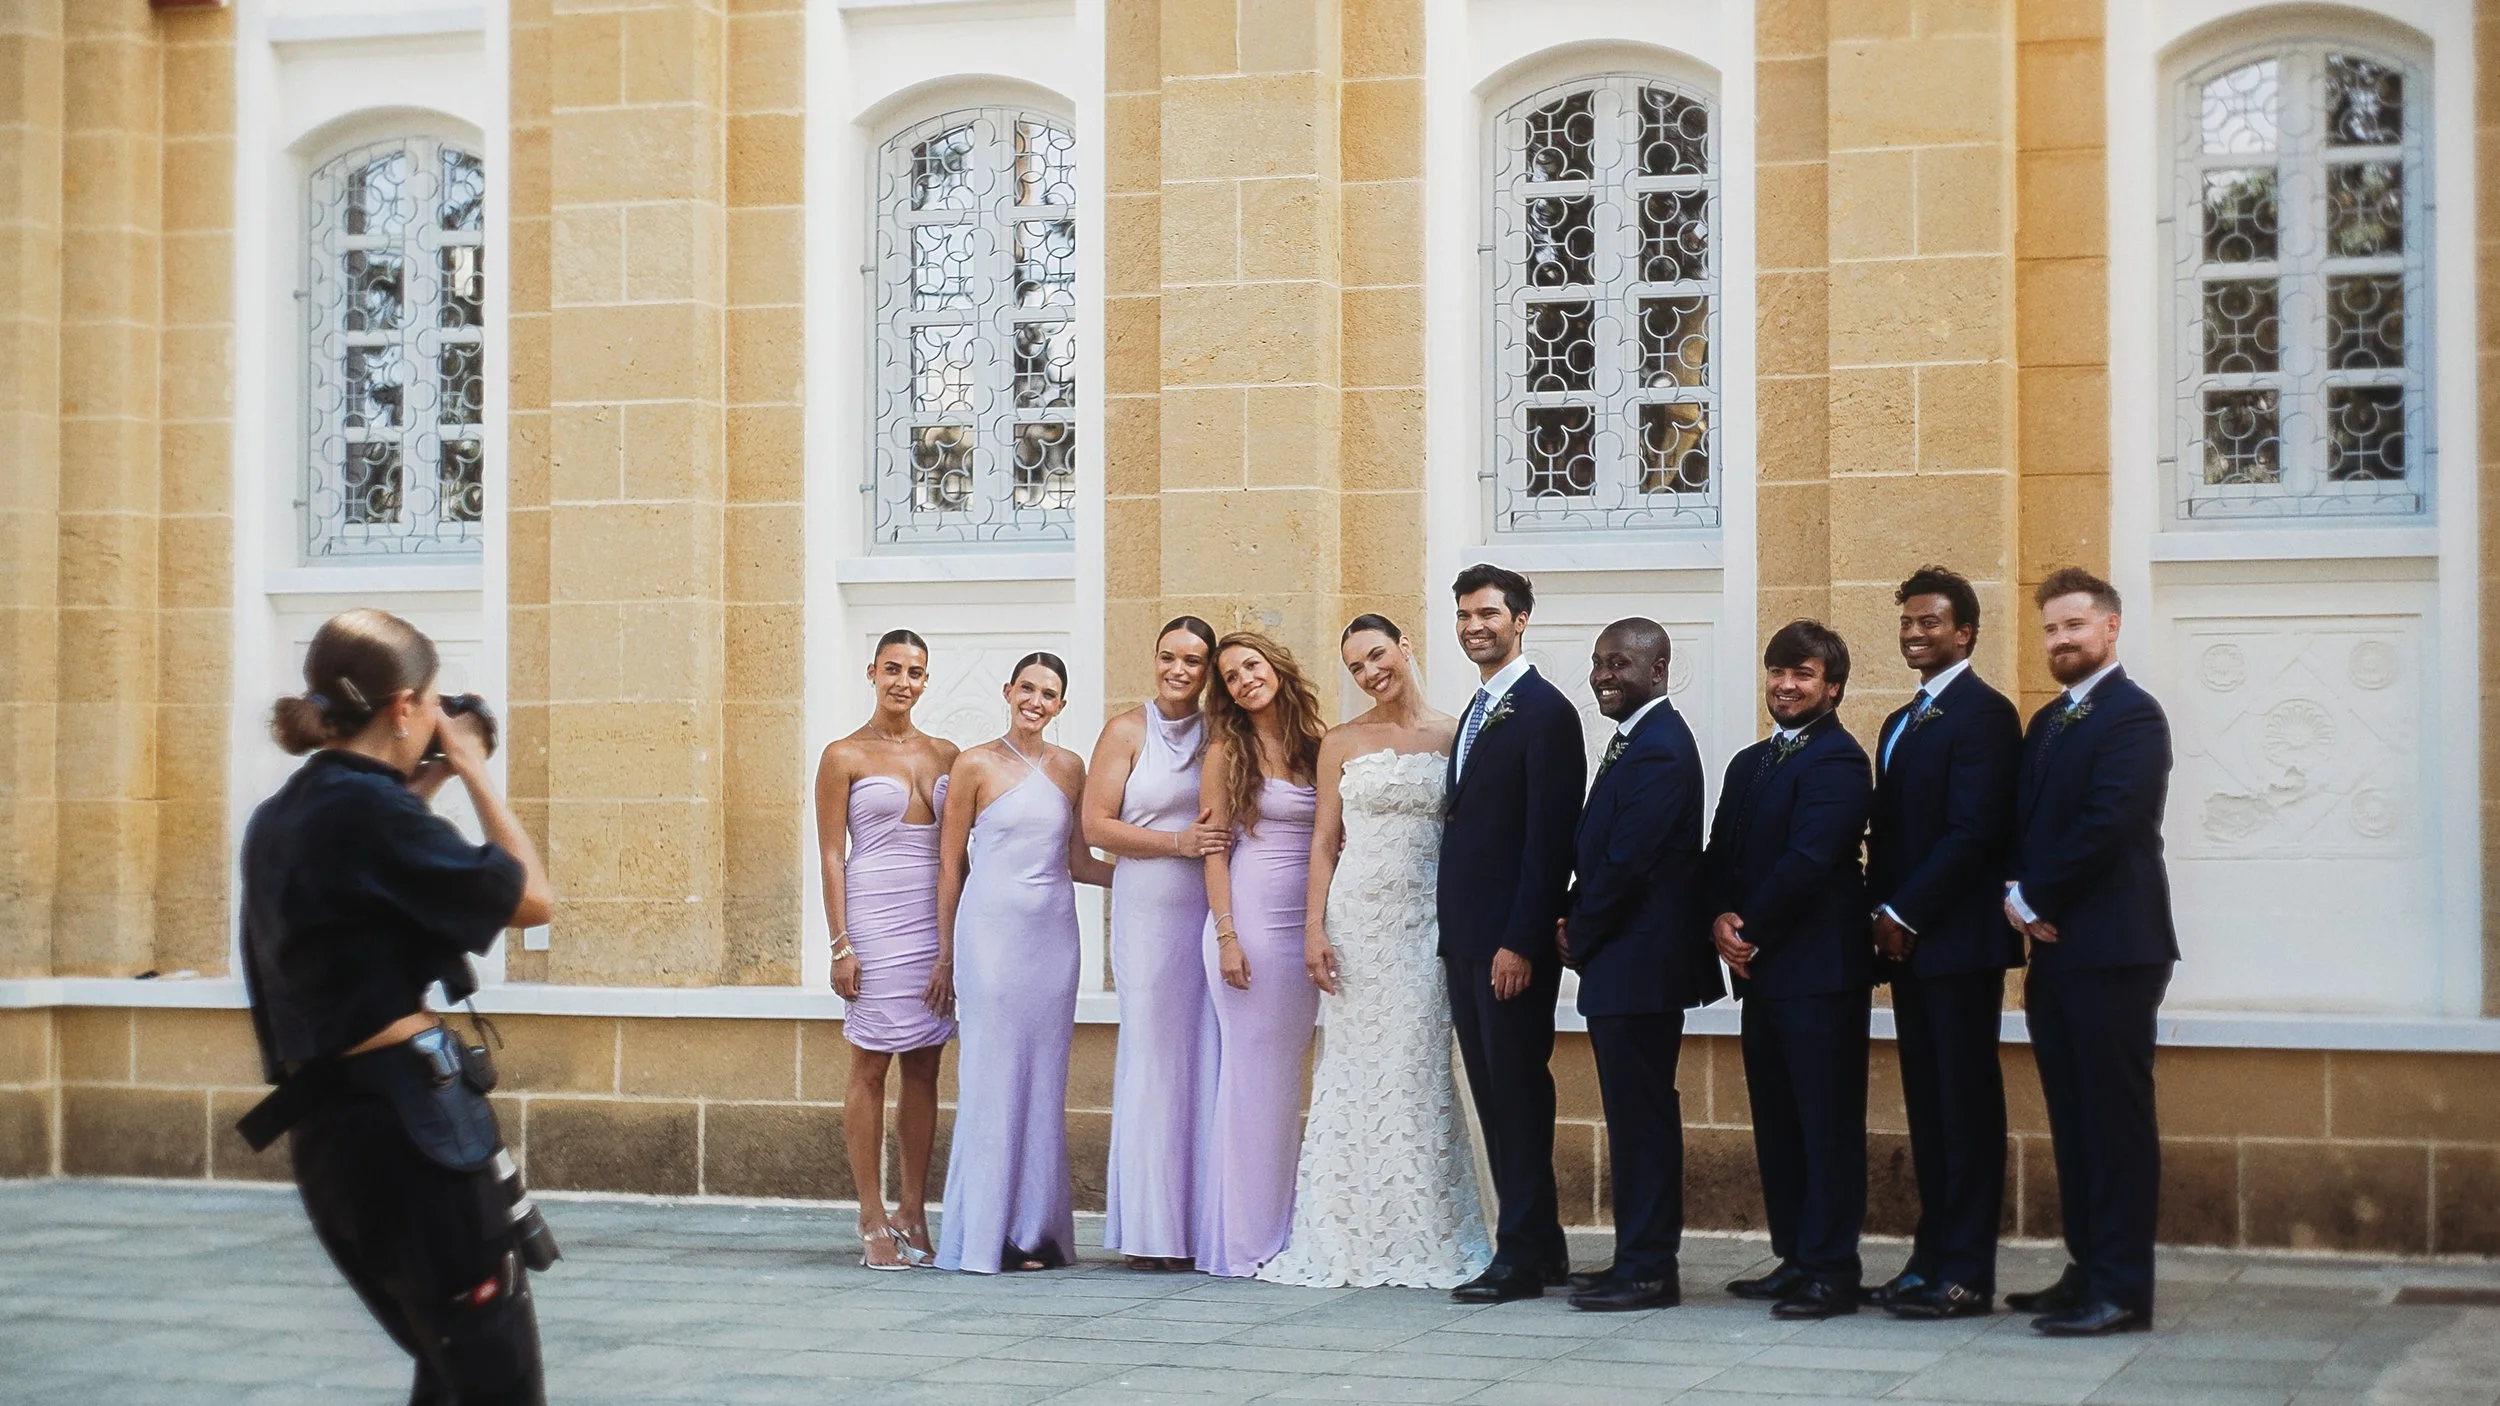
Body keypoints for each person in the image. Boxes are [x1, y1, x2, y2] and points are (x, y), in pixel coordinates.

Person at [239, 608, 555, 1404]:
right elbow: (533, 899)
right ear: (406, 706)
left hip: (332, 1143)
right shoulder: (370, 814)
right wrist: (475, 767)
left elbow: (375, 856)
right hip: (411, 1134)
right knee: (495, 1381)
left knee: (447, 1374)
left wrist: (430, 774)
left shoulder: (282, 817)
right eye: (433, 704)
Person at [1258, 615, 1492, 1290]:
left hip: (1426, 926)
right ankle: (1345, 1229)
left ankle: (1425, 1226)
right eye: (1356, 666)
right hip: (1357, 923)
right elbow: (1324, 842)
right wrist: (1313, 928)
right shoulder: (1341, 741)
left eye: (1377, 655)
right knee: (1353, 1073)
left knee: (1418, 1070)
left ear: (1406, 647)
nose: (1370, 672)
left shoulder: (1455, 734)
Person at [2001, 567, 2176, 1337]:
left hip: (2115, 947)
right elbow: (2023, 824)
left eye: (2073, 625)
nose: (2060, 640)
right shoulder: (2046, 725)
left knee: (2116, 1122)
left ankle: (2123, 1289)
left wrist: (2036, 897)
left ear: (2109, 628)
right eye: (2050, 629)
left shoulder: (2136, 718)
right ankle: (2085, 1270)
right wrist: (2014, 888)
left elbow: (2110, 821)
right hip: (2057, 955)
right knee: (2073, 1121)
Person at [1863, 568, 2022, 1319]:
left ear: (1965, 632)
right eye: (1907, 622)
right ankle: (1930, 1259)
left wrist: (1906, 911)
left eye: (1930, 622)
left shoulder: (1986, 714)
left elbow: (1974, 830)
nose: (1915, 633)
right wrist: (1878, 917)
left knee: (1965, 1106)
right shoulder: (1899, 721)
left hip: (1958, 944)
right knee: (1928, 1108)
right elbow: (1891, 836)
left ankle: (1968, 1273)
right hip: (1909, 947)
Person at [1706, 620, 1874, 1321]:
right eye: (1778, 671)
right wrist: (1718, 916)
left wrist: (1750, 928)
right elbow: (1719, 852)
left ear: (1832, 687)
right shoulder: (1751, 763)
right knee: (1778, 1119)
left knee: (1826, 1121)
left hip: (1819, 973)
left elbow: (1811, 859)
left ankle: (1833, 1270)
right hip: (1760, 973)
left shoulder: (1840, 762)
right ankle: (1795, 1257)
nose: (1786, 684)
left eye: (1803, 674)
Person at [1557, 619, 1722, 1312]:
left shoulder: (1658, 749)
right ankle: (1636, 1257)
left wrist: (1579, 933)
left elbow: (1628, 863)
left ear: (1658, 671)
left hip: (1639, 965)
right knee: (1632, 1117)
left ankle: (1651, 1269)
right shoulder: (1634, 741)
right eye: (1598, 663)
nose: (1604, 675)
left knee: (1643, 1117)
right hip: (1623, 962)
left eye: (1620, 663)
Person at [933, 653, 1114, 1274]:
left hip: (1053, 938)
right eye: (1028, 689)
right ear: (1009, 691)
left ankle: (1034, 1233)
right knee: (989, 1077)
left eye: (1051, 693)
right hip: (989, 936)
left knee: (1043, 1080)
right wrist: (944, 953)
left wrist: (1163, 872)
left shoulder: (1070, 768)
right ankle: (983, 1234)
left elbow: (1081, 861)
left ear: (1062, 705)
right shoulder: (974, 764)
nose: (1037, 701)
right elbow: (949, 864)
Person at [1438, 564, 1585, 1304]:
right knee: (1496, 1094)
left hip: (1507, 945)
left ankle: (1520, 1256)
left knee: (1519, 1094)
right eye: (1465, 614)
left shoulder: (1545, 713)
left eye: (1488, 613)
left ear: (1521, 619)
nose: (1474, 626)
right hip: (1464, 939)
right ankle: (1545, 1245)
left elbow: (1548, 841)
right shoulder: (1478, 707)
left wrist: (1520, 941)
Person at [1083, 616, 1230, 1272]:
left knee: (1204, 1055)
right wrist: (1175, 843)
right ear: (1155, 659)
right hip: (1146, 909)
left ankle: (1198, 1225)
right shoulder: (1124, 730)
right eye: (1168, 655)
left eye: (1193, 660)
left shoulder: (1222, 733)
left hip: (1205, 906)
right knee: (1151, 1057)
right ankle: (1149, 1230)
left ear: (1208, 671)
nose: (1178, 669)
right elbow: (1095, 825)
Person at [814, 628, 960, 1270]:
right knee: (870, 1065)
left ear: (927, 681)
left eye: (916, 672)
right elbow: (829, 854)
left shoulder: (948, 754)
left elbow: (960, 854)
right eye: (893, 668)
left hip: (932, 926)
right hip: (872, 922)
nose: (904, 680)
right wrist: (840, 942)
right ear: (872, 672)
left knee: (926, 1067)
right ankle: (871, 1217)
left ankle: (913, 1211)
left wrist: (956, 945)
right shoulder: (843, 754)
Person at [1196, 630, 1326, 1278]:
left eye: (1251, 665)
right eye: (1232, 675)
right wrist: (1225, 936)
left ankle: (1278, 1229)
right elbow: (1213, 847)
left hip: (1299, 932)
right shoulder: (1226, 750)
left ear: (1275, 666)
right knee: (1249, 1085)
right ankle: (1242, 1242)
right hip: (1245, 928)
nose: (1245, 678)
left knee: (1283, 1087)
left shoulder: (1315, 744)